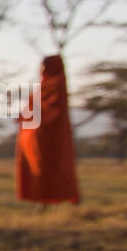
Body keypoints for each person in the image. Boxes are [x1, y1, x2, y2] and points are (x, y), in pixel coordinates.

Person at [16, 55, 80, 206]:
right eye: (42, 65)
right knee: (39, 168)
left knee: (56, 167)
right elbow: (33, 107)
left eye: (45, 65)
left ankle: (65, 198)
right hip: (37, 136)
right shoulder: (42, 86)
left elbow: (53, 109)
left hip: (53, 137)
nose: (42, 68)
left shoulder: (57, 84)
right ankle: (42, 199)